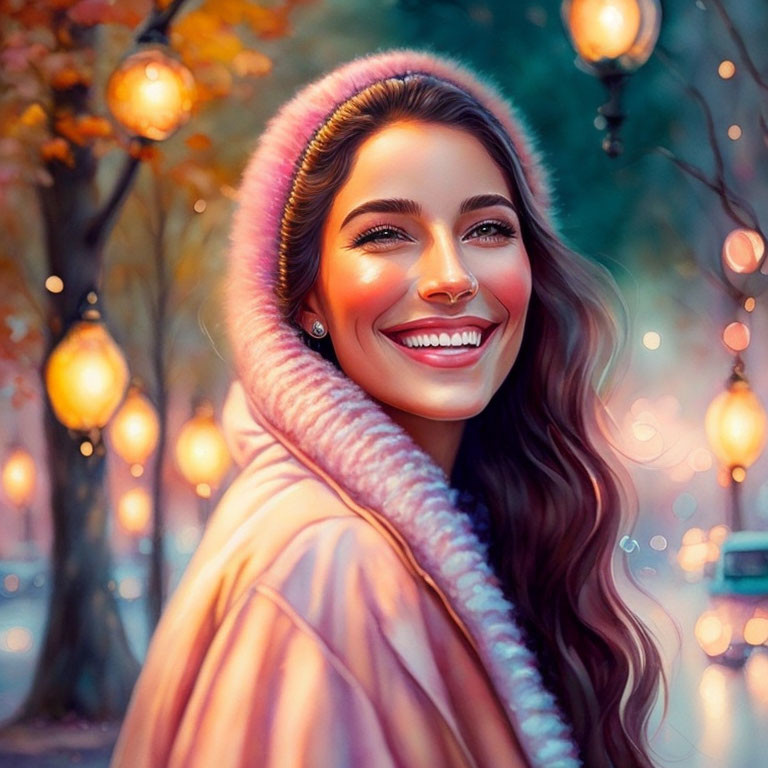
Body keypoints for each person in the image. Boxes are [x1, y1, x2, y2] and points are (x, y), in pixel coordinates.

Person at [110, 48, 665, 768]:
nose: (450, 277)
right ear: (305, 299)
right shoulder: (326, 567)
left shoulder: (413, 531)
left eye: (488, 229)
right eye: (385, 235)